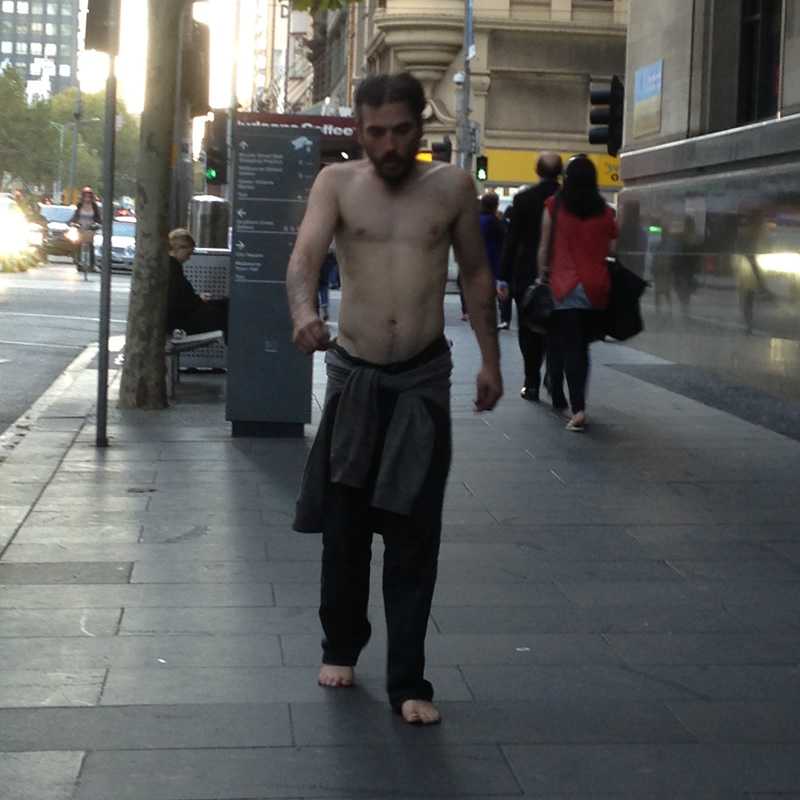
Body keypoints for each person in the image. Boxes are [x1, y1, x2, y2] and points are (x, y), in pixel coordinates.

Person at [286, 72, 503, 726]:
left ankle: (408, 679)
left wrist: (491, 360)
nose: (388, 144)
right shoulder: (336, 183)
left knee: (414, 537)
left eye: (401, 130)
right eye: (375, 132)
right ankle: (341, 644)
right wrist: (303, 312)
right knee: (346, 532)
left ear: (420, 128)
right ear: (358, 131)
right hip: (354, 379)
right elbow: (304, 259)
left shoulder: (452, 187)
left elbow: (476, 272)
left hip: (421, 384)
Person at [538, 155, 617, 431]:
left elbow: (544, 247)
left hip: (565, 285)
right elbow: (612, 247)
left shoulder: (554, 206)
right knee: (580, 346)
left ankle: (577, 408)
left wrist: (542, 272)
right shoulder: (606, 212)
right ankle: (566, 391)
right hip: (595, 287)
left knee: (569, 345)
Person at [497, 152, 563, 401]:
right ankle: (554, 377)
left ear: (537, 170)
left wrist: (503, 277)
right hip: (562, 274)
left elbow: (511, 241)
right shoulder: (567, 199)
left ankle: (531, 381)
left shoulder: (524, 199)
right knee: (557, 329)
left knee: (528, 331)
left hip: (526, 275)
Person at [167, 228, 229, 342]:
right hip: (183, 321)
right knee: (226, 316)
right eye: (188, 253)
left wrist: (199, 300)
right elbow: (179, 304)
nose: (189, 258)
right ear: (179, 249)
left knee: (224, 306)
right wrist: (199, 300)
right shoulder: (173, 270)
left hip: (182, 317)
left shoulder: (171, 268)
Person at [478, 192, 509, 328]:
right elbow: (504, 238)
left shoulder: (477, 219)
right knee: (497, 291)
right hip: (494, 258)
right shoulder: (493, 221)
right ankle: (501, 318)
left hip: (479, 260)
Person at [69, 186, 102, 271]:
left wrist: (98, 224)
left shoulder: (94, 206)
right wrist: (73, 222)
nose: (87, 198)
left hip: (91, 227)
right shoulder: (80, 205)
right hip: (80, 227)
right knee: (78, 244)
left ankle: (92, 264)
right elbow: (76, 216)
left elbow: (97, 217)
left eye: (89, 196)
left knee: (91, 245)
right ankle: (79, 262)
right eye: (85, 196)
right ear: (83, 197)